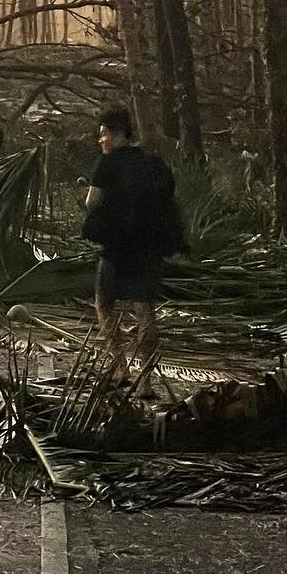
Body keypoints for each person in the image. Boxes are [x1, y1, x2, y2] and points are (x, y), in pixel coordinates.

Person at [81, 107, 186, 393]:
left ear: (115, 135)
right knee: (144, 309)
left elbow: (92, 202)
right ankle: (146, 382)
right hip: (148, 247)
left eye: (102, 135)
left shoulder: (107, 163)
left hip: (117, 247)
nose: (100, 142)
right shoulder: (153, 163)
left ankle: (120, 366)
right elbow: (170, 198)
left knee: (104, 304)